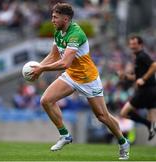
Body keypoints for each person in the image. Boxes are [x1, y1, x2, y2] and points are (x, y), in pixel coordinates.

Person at [30, 3, 129, 160]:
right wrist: (39, 67)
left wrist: (41, 70)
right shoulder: (58, 31)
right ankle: (65, 135)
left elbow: (64, 63)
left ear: (66, 18)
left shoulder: (76, 34)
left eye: (55, 17)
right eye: (52, 16)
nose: (52, 20)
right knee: (46, 100)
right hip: (71, 76)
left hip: (88, 79)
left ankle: (123, 142)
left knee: (102, 116)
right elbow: (54, 55)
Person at [118, 35, 156, 140]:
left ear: (141, 44)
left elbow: (154, 66)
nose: (132, 46)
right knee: (153, 121)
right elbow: (136, 77)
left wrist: (143, 79)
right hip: (152, 90)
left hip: (145, 90)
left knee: (124, 113)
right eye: (131, 44)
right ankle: (150, 125)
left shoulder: (142, 56)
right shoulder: (138, 58)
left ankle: (148, 124)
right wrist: (125, 76)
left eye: (134, 44)